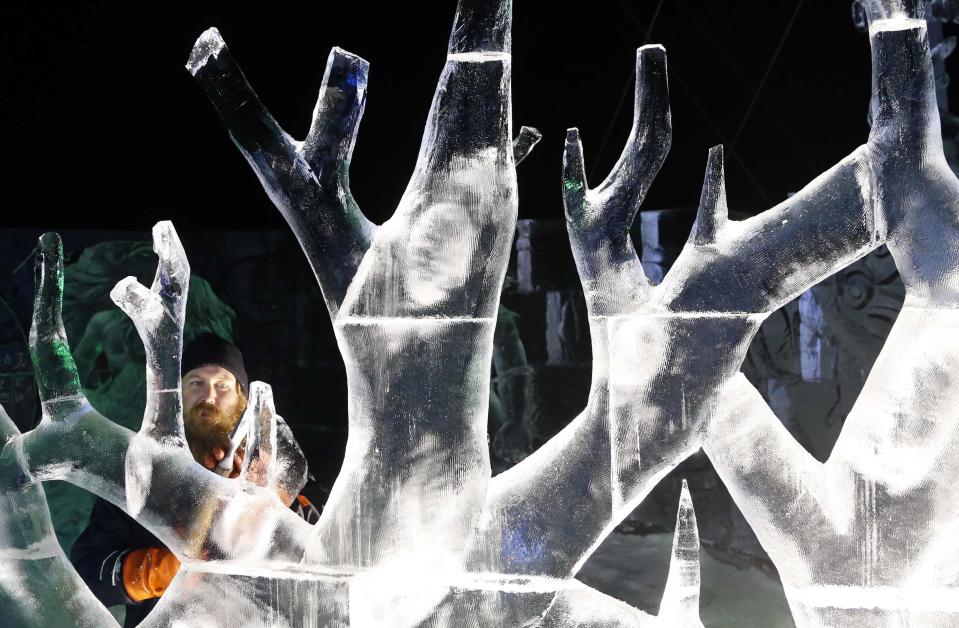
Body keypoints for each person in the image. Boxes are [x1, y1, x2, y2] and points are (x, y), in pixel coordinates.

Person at [70, 334, 319, 627]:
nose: (209, 396)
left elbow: (321, 554)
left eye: (222, 385)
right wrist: (159, 571)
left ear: (242, 399)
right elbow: (86, 572)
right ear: (177, 396)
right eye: (195, 382)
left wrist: (266, 507)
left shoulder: (274, 474)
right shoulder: (142, 476)